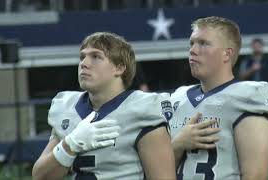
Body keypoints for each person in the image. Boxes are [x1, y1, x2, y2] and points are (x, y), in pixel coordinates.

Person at [32, 32, 176, 180]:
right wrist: (70, 145)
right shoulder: (67, 107)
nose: (84, 63)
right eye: (82, 57)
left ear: (119, 68)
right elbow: (40, 176)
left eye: (96, 57)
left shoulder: (143, 109)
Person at [169, 16, 268, 179]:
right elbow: (155, 172)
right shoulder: (178, 98)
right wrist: (178, 145)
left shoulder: (248, 97)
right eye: (192, 43)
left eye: (203, 43)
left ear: (226, 54)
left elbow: (255, 176)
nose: (193, 50)